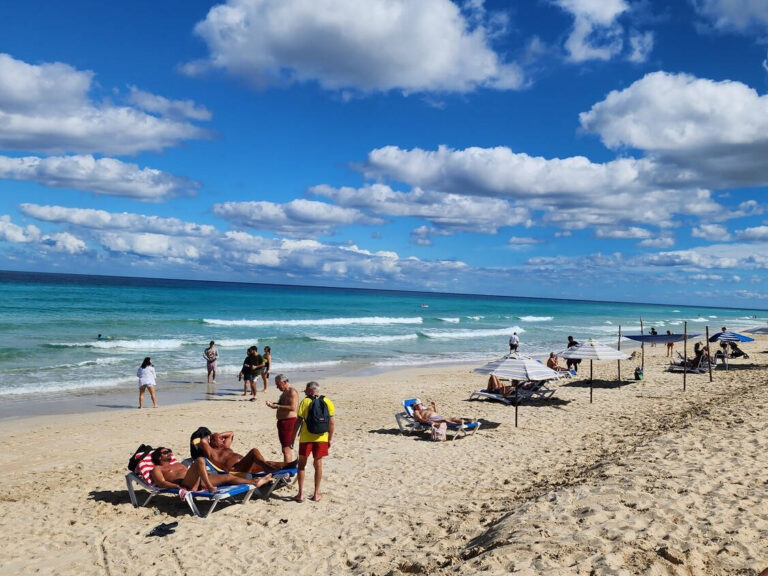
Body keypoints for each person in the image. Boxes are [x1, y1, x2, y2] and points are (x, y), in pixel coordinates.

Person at [148, 447, 270, 492]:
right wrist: (176, 487)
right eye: (166, 452)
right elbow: (161, 483)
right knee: (200, 460)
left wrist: (205, 473)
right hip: (186, 484)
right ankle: (210, 488)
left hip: (200, 480)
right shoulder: (156, 469)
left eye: (169, 451)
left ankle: (254, 482)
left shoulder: (178, 464)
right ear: (159, 456)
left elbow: (191, 471)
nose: (169, 453)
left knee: (227, 476)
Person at [291, 381, 335, 502]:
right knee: (318, 464)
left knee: (301, 465)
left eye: (306, 390)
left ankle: (300, 494)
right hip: (322, 438)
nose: (305, 392)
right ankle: (316, 494)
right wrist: (330, 439)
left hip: (306, 438)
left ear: (310, 391)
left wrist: (292, 437)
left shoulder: (305, 402)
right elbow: (331, 423)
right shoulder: (327, 401)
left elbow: (298, 422)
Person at [198, 431, 291, 474]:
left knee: (271, 463)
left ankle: (290, 465)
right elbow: (202, 441)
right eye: (220, 438)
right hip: (236, 470)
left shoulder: (225, 447)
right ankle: (266, 468)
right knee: (254, 451)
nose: (223, 439)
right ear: (213, 441)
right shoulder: (212, 452)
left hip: (246, 465)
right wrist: (211, 436)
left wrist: (218, 435)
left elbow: (231, 433)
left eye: (222, 438)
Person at [266, 374, 299, 462]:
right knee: (284, 447)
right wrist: (274, 404)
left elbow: (293, 407)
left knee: (286, 448)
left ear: (284, 382)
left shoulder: (292, 392)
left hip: (289, 422)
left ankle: (287, 471)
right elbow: (284, 404)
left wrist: (277, 406)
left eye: (278, 384)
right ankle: (287, 469)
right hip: (283, 422)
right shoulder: (285, 392)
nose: (277, 387)